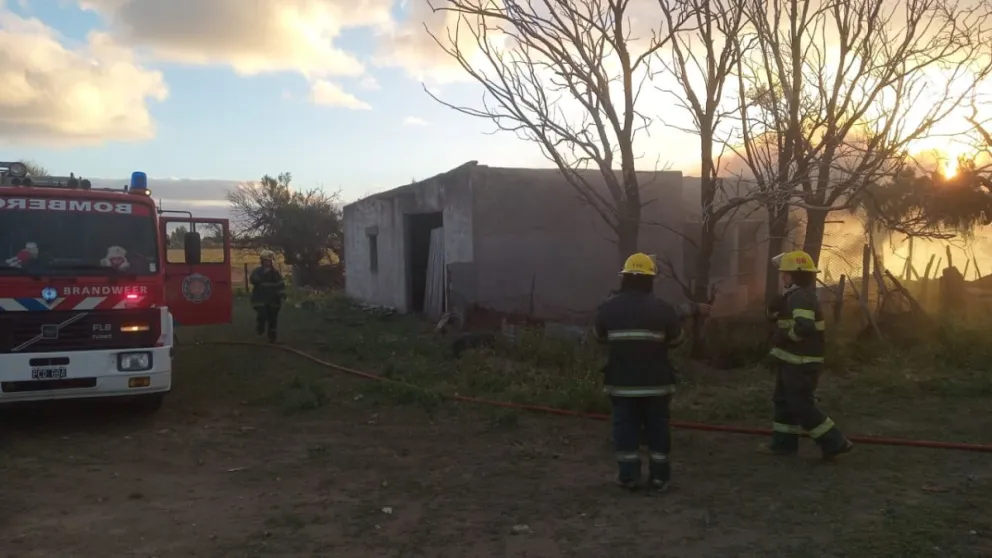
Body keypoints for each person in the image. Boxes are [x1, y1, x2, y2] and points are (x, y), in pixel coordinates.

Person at [594, 252, 710, 491]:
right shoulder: (664, 308)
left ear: (624, 278)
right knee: (657, 430)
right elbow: (677, 340)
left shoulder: (608, 308)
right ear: (650, 280)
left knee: (624, 430)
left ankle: (628, 477)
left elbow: (599, 337)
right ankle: (659, 478)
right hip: (657, 384)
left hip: (622, 384)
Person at [760, 250, 854, 460]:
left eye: (786, 273)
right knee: (783, 402)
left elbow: (804, 327)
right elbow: (781, 319)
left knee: (800, 406)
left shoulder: (800, 297)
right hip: (790, 362)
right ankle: (783, 445)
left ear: (795, 275)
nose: (782, 276)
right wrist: (773, 311)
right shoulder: (793, 296)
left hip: (801, 364)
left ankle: (835, 442)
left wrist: (783, 335)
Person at [250, 250, 286, 343]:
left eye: (270, 261)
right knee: (262, 314)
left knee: (273, 318)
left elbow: (280, 285)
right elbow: (253, 280)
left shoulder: (275, 273)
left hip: (273, 300)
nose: (268, 263)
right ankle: (260, 326)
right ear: (262, 261)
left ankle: (272, 337)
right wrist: (264, 273)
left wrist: (282, 296)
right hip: (260, 299)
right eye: (266, 261)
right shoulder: (257, 271)